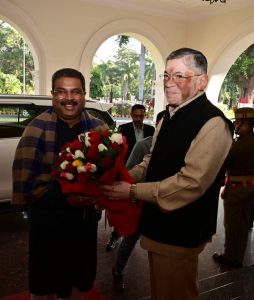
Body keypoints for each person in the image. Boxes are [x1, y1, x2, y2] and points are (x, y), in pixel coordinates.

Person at [102, 47, 234, 300]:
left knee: (175, 292)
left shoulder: (213, 123)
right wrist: (125, 177)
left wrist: (130, 191)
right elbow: (152, 160)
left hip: (182, 228)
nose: (168, 83)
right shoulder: (166, 117)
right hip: (159, 224)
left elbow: (191, 183)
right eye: (165, 76)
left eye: (179, 76)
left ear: (201, 81)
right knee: (162, 290)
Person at [12, 68, 108, 300]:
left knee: (79, 282)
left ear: (84, 94)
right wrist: (66, 197)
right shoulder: (36, 128)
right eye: (62, 92)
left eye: (75, 91)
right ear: (53, 95)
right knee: (44, 284)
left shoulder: (98, 128)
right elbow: (25, 184)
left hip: (83, 226)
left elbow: (108, 177)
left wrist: (98, 197)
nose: (69, 98)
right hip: (47, 225)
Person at [112, 110, 166, 291]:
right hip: (140, 199)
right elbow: (130, 171)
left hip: (160, 201)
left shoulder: (175, 147)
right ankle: (117, 271)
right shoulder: (144, 146)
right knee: (130, 239)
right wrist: (132, 191)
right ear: (158, 127)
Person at [106, 104, 155, 251]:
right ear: (132, 115)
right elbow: (118, 152)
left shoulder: (151, 130)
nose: (139, 119)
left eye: (141, 115)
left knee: (136, 210)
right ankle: (115, 237)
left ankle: (132, 235)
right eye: (136, 115)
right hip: (127, 172)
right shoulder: (124, 129)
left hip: (144, 175)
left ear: (145, 115)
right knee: (121, 208)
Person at [213, 107, 254, 268]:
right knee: (243, 224)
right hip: (250, 188)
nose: (236, 125)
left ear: (245, 123)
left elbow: (223, 163)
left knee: (232, 224)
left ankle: (231, 257)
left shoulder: (239, 145)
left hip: (237, 189)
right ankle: (238, 255)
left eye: (237, 122)